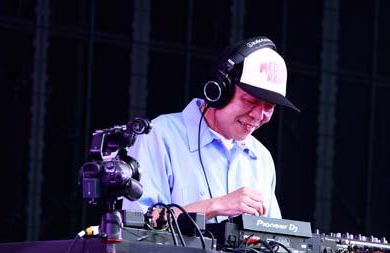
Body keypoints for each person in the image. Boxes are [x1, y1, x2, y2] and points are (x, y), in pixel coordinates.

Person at [124, 36, 299, 221]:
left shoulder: (262, 158)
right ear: (218, 91)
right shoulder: (159, 136)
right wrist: (215, 206)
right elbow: (136, 224)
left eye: (269, 107)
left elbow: (272, 234)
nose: (258, 115)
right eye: (250, 101)